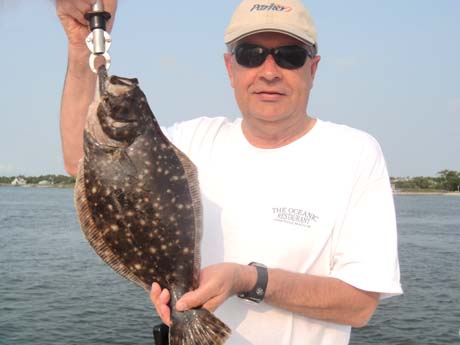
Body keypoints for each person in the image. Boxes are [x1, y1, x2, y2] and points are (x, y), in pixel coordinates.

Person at [56, 0, 402, 344]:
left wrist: (247, 280)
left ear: (313, 70)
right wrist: (79, 46)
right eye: (251, 54)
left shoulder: (354, 152)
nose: (269, 71)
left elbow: (359, 306)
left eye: (290, 56)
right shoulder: (189, 141)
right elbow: (80, 161)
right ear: (230, 67)